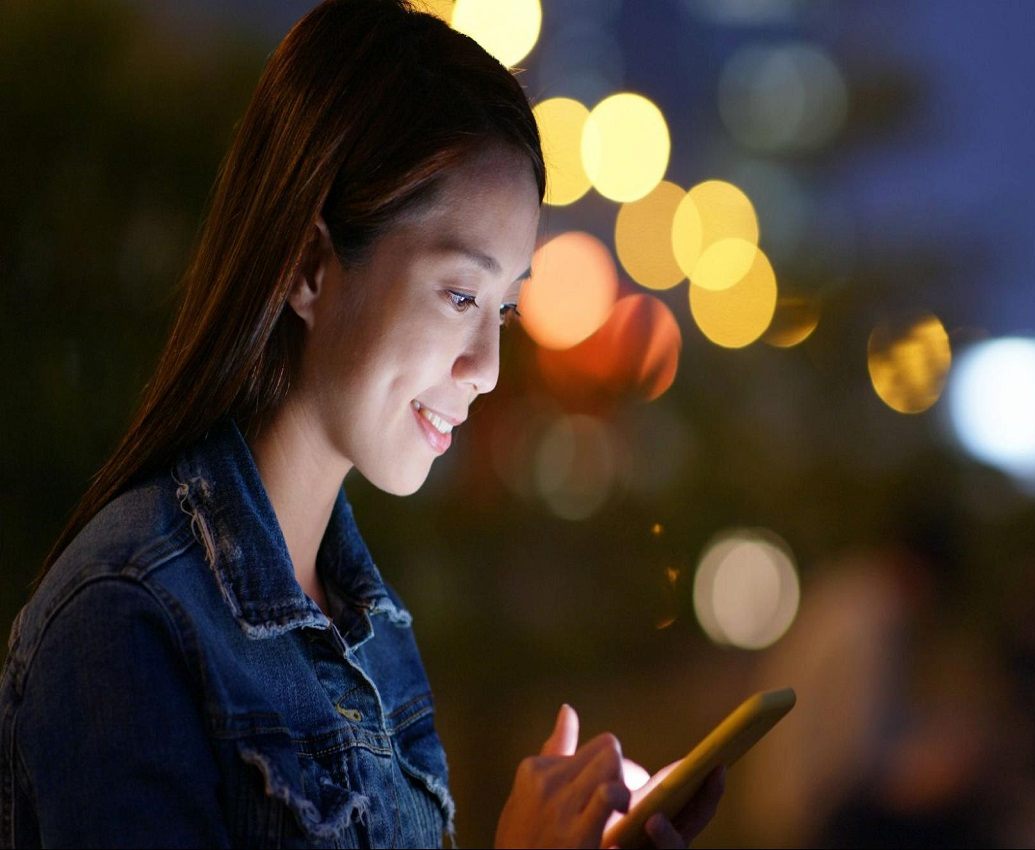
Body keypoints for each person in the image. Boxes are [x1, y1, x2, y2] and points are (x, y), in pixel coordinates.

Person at [0, 1, 724, 846]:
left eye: (506, 308)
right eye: (459, 295)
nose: (487, 366)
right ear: (309, 266)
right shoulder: (128, 621)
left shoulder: (369, 631)